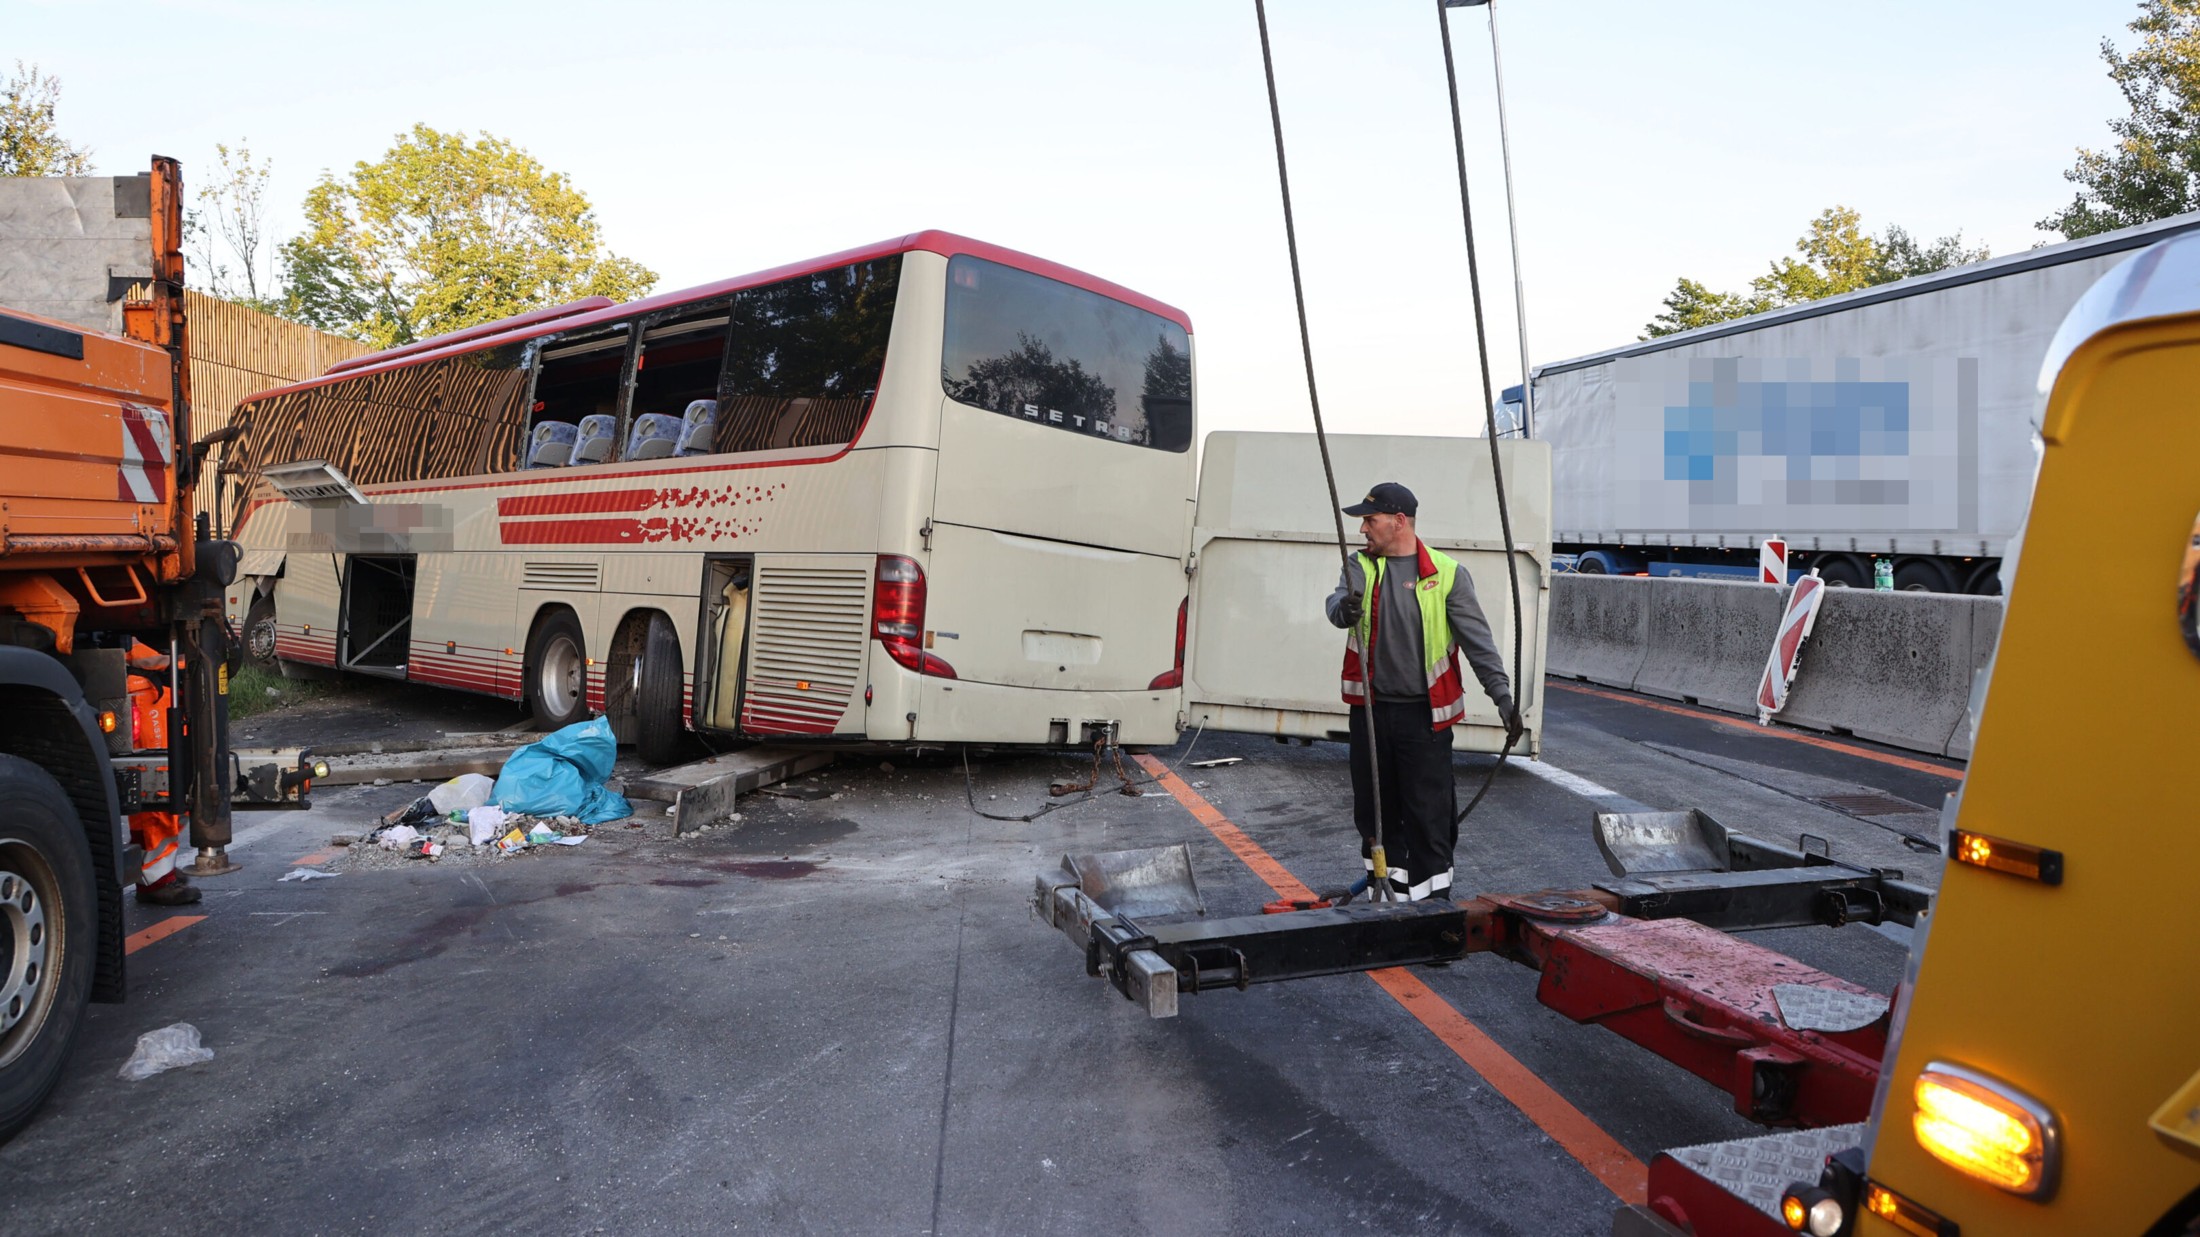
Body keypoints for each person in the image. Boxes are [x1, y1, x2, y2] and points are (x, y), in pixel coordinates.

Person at [1324, 482, 1520, 902]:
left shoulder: (1447, 575)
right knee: (1376, 815)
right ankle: (1388, 902)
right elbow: (1336, 603)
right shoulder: (1360, 566)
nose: (1363, 530)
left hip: (1424, 719)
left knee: (1428, 816)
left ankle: (1433, 915)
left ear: (1399, 522)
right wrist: (1344, 610)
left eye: (1370, 520)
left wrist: (1503, 698)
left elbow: (1478, 643)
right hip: (1371, 715)